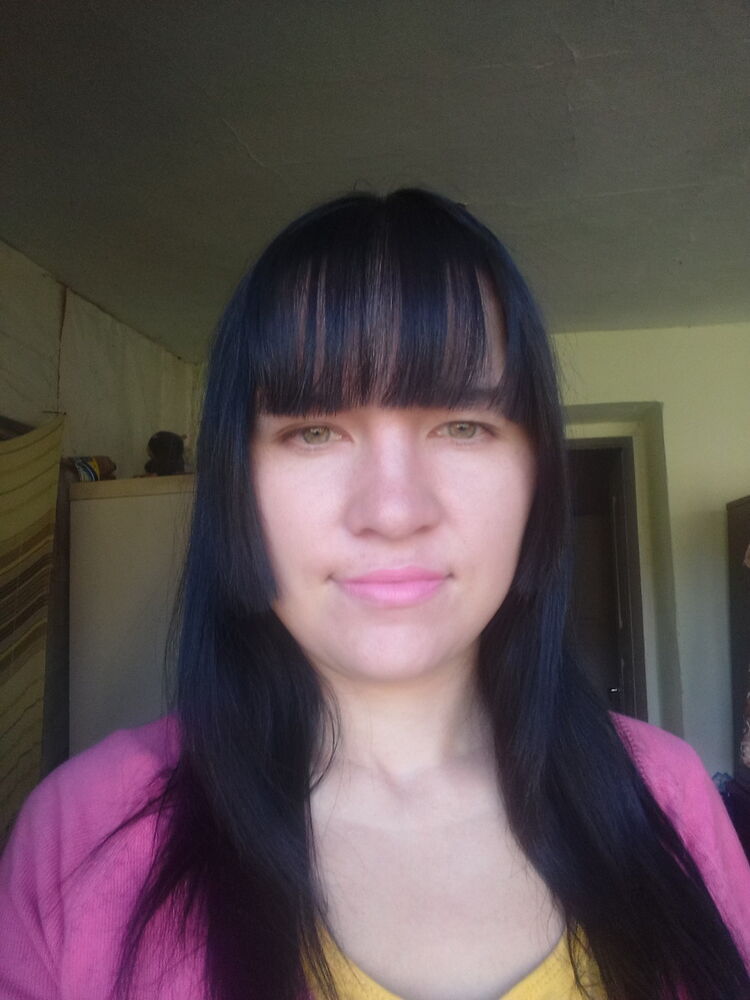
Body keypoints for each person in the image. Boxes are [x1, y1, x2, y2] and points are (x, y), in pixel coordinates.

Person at [1, 189, 750, 1000]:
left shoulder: (668, 797)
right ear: (237, 484)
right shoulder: (79, 835)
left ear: (537, 476)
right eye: (315, 431)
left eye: (463, 426)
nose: (393, 512)